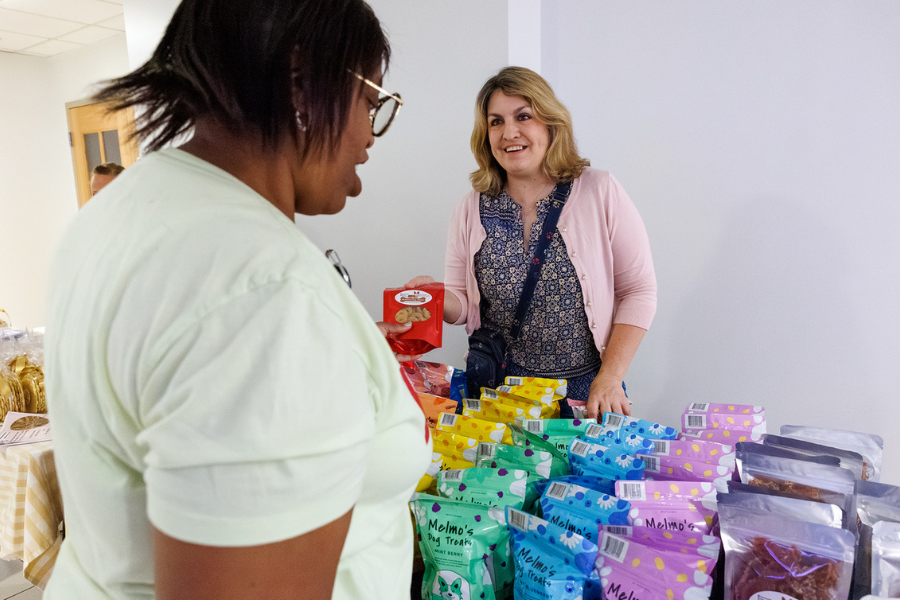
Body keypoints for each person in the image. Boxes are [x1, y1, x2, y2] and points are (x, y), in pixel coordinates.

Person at [44, 2, 429, 599]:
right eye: (371, 101)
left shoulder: (122, 208)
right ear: (301, 83)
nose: (368, 136)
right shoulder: (266, 293)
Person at [408, 66, 656, 421]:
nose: (509, 132)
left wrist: (611, 377)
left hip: (587, 394)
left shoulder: (598, 190)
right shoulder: (470, 207)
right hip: (499, 399)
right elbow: (462, 303)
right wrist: (432, 296)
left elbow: (639, 290)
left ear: (550, 123)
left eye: (523, 116)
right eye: (496, 122)